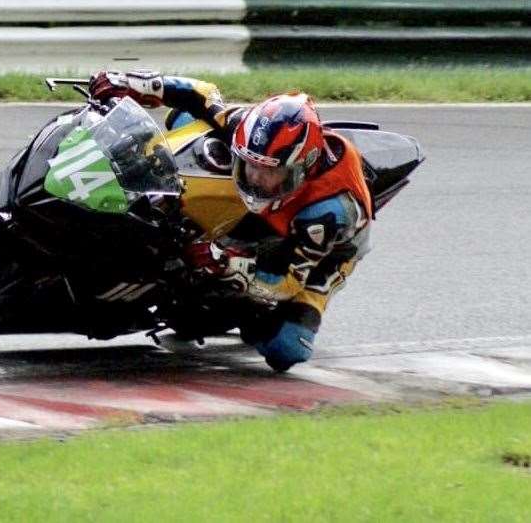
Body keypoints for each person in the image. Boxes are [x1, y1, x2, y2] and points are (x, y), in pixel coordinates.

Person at [89, 70, 373, 372]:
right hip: (277, 206)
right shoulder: (250, 131)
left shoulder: (327, 213)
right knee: (186, 119)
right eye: (250, 165)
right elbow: (202, 94)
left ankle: (245, 315)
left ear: (301, 169)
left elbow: (287, 285)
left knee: (285, 349)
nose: (256, 179)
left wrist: (228, 263)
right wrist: (135, 84)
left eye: (270, 173)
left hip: (325, 254)